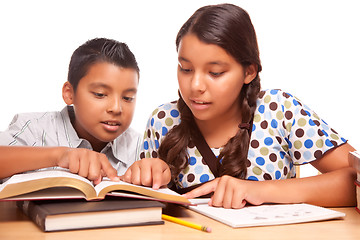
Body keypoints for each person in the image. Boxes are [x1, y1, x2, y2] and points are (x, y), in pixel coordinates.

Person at [121, 3, 357, 209]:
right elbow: (145, 206)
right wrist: (145, 175)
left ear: (249, 71)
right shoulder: (163, 120)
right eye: (185, 69)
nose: (195, 85)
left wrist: (257, 191)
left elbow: (356, 180)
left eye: (215, 72)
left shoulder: (279, 110)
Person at [0, 38, 141, 185]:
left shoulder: (140, 146)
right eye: (100, 94)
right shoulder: (33, 129)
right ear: (69, 93)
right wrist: (59, 155)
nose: (116, 108)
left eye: (128, 98)